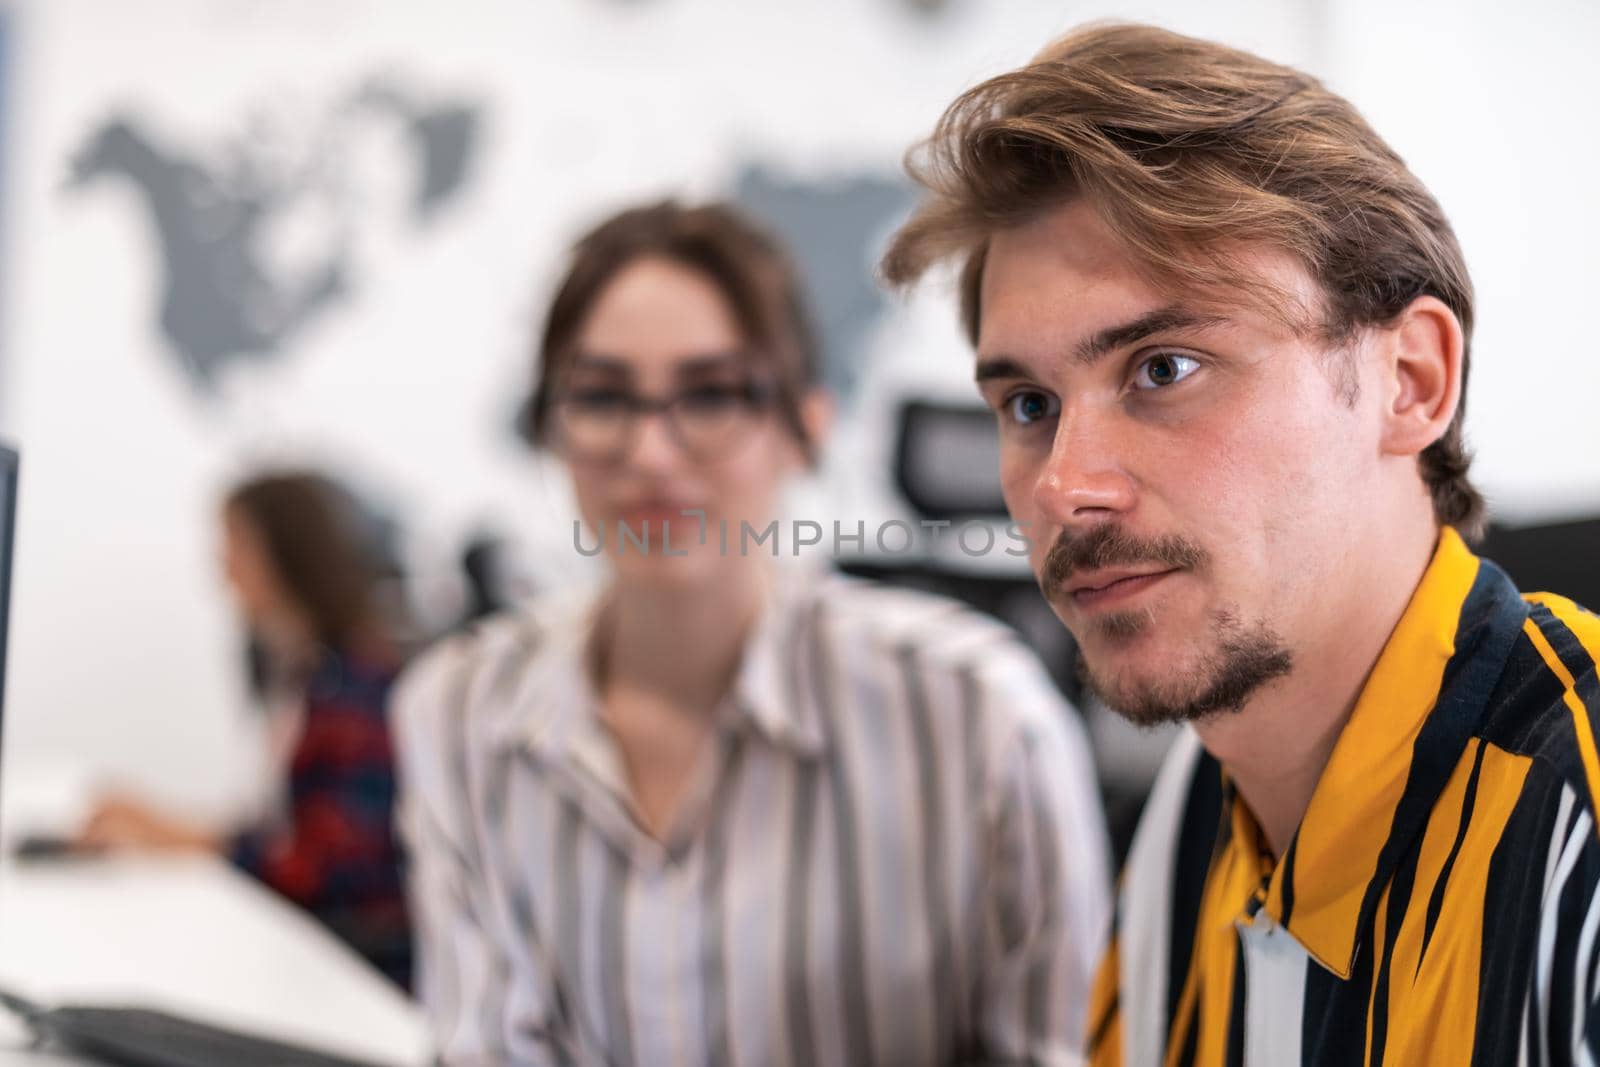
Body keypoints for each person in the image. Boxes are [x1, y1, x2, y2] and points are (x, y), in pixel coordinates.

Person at [881, 20, 1600, 1066]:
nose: (1065, 485)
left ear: (1410, 383)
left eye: (1163, 368)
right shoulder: (1190, 820)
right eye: (1029, 401)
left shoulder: (1578, 821)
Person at [391, 200, 1111, 1065]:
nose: (652, 453)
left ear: (807, 427)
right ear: (550, 427)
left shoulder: (978, 719)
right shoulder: (460, 711)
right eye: (602, 396)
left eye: (712, 394)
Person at [78, 471, 414, 989]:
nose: (222, 565)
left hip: (352, 974)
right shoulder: (305, 677)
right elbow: (286, 834)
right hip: (313, 953)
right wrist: (170, 831)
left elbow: (320, 873)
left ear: (284, 552)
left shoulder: (357, 696)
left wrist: (173, 835)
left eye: (234, 543)